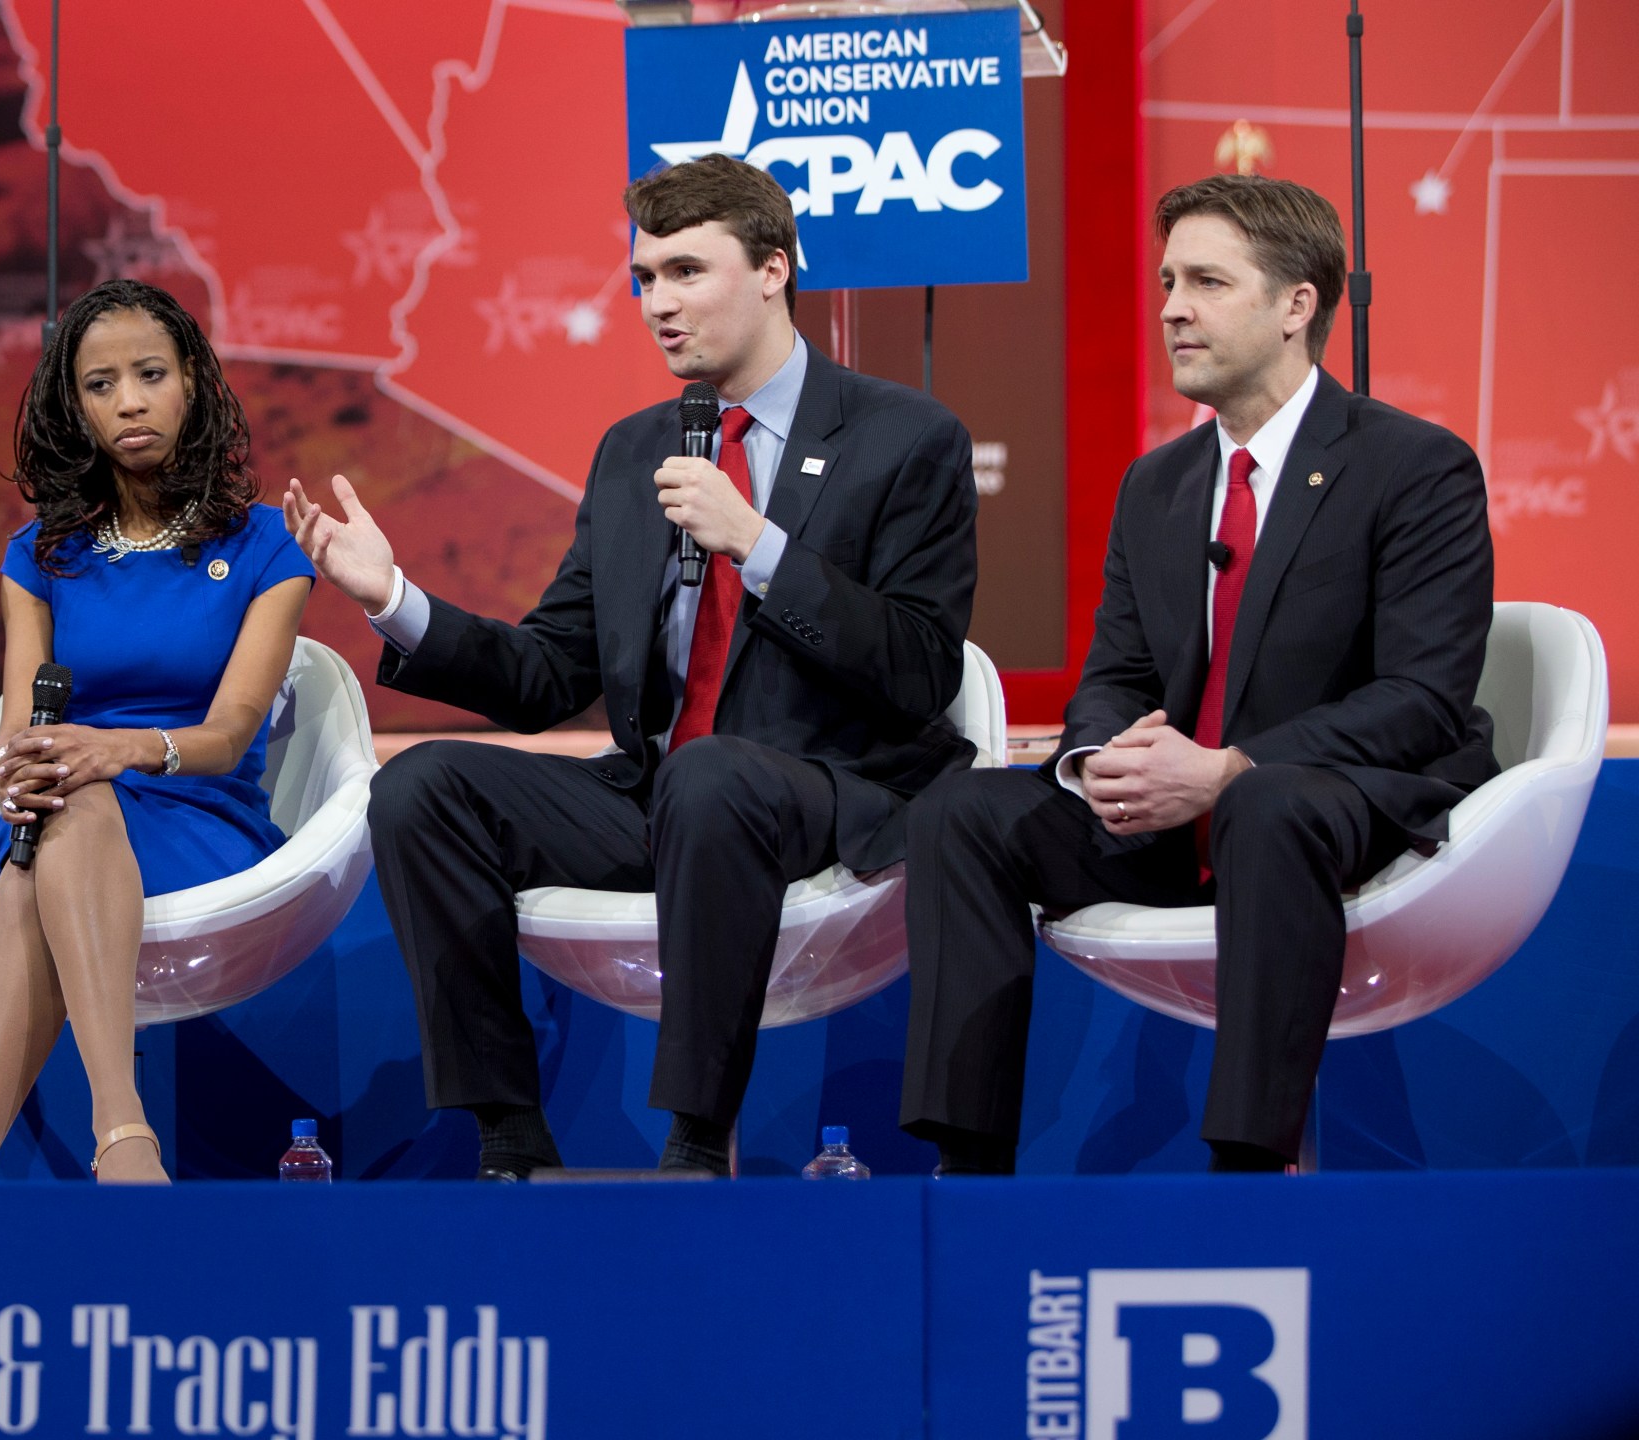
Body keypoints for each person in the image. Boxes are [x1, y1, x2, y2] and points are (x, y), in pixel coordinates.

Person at [287, 155, 979, 1179]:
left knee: (710, 777)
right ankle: (509, 1136)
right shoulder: (633, 452)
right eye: (644, 279)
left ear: (774, 269)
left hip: (833, 786)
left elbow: (922, 670)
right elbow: (546, 675)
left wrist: (761, 546)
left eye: (687, 272)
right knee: (426, 787)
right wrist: (393, 598)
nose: (659, 304)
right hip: (665, 794)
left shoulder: (905, 436)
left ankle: (695, 1140)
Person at [899, 174, 1498, 1175]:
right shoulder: (1160, 482)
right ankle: (967, 1171)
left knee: (1267, 808)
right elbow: (1118, 670)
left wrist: (1229, 770)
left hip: (1338, 805)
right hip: (1172, 820)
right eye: (1169, 279)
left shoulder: (1413, 466)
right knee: (960, 813)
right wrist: (1098, 761)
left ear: (1296, 305)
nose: (1171, 306)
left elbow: (1422, 699)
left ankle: (1246, 1170)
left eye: (1207, 283)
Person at [0, 279, 314, 1185]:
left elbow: (228, 733)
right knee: (62, 819)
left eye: (150, 374)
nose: (129, 402)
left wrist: (122, 749)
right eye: (101, 385)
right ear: (75, 407)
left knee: (52, 849)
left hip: (199, 815)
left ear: (194, 385)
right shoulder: (40, 555)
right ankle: (122, 1135)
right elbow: (22, 729)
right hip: (64, 811)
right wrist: (20, 771)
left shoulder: (265, 547)